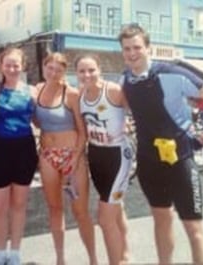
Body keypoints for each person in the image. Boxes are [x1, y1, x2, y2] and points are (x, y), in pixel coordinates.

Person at [118, 24, 203, 263]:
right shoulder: (125, 80)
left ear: (148, 48)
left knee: (194, 227)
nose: (132, 53)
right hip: (148, 162)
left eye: (137, 47)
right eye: (127, 48)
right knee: (161, 220)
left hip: (180, 161)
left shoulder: (172, 72)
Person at [35, 53, 98, 265]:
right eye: (49, 68)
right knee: (55, 209)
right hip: (47, 157)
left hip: (73, 157)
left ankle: (93, 259)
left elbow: (83, 131)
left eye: (58, 69)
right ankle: (60, 259)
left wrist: (75, 157)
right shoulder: (37, 91)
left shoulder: (71, 95)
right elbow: (36, 120)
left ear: (64, 72)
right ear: (44, 68)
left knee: (80, 212)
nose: (53, 73)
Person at [0, 47, 38, 265]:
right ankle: (0, 251)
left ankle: (15, 251)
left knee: (19, 204)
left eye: (16, 64)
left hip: (25, 149)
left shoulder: (32, 91)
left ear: (23, 66)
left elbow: (38, 119)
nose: (12, 68)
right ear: (0, 66)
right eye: (8, 64)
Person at [76, 54, 131, 264]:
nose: (87, 75)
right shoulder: (81, 95)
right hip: (96, 156)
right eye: (82, 71)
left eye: (91, 70)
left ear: (100, 69)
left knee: (105, 218)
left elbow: (138, 110)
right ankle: (125, 254)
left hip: (117, 155)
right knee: (115, 208)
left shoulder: (114, 91)